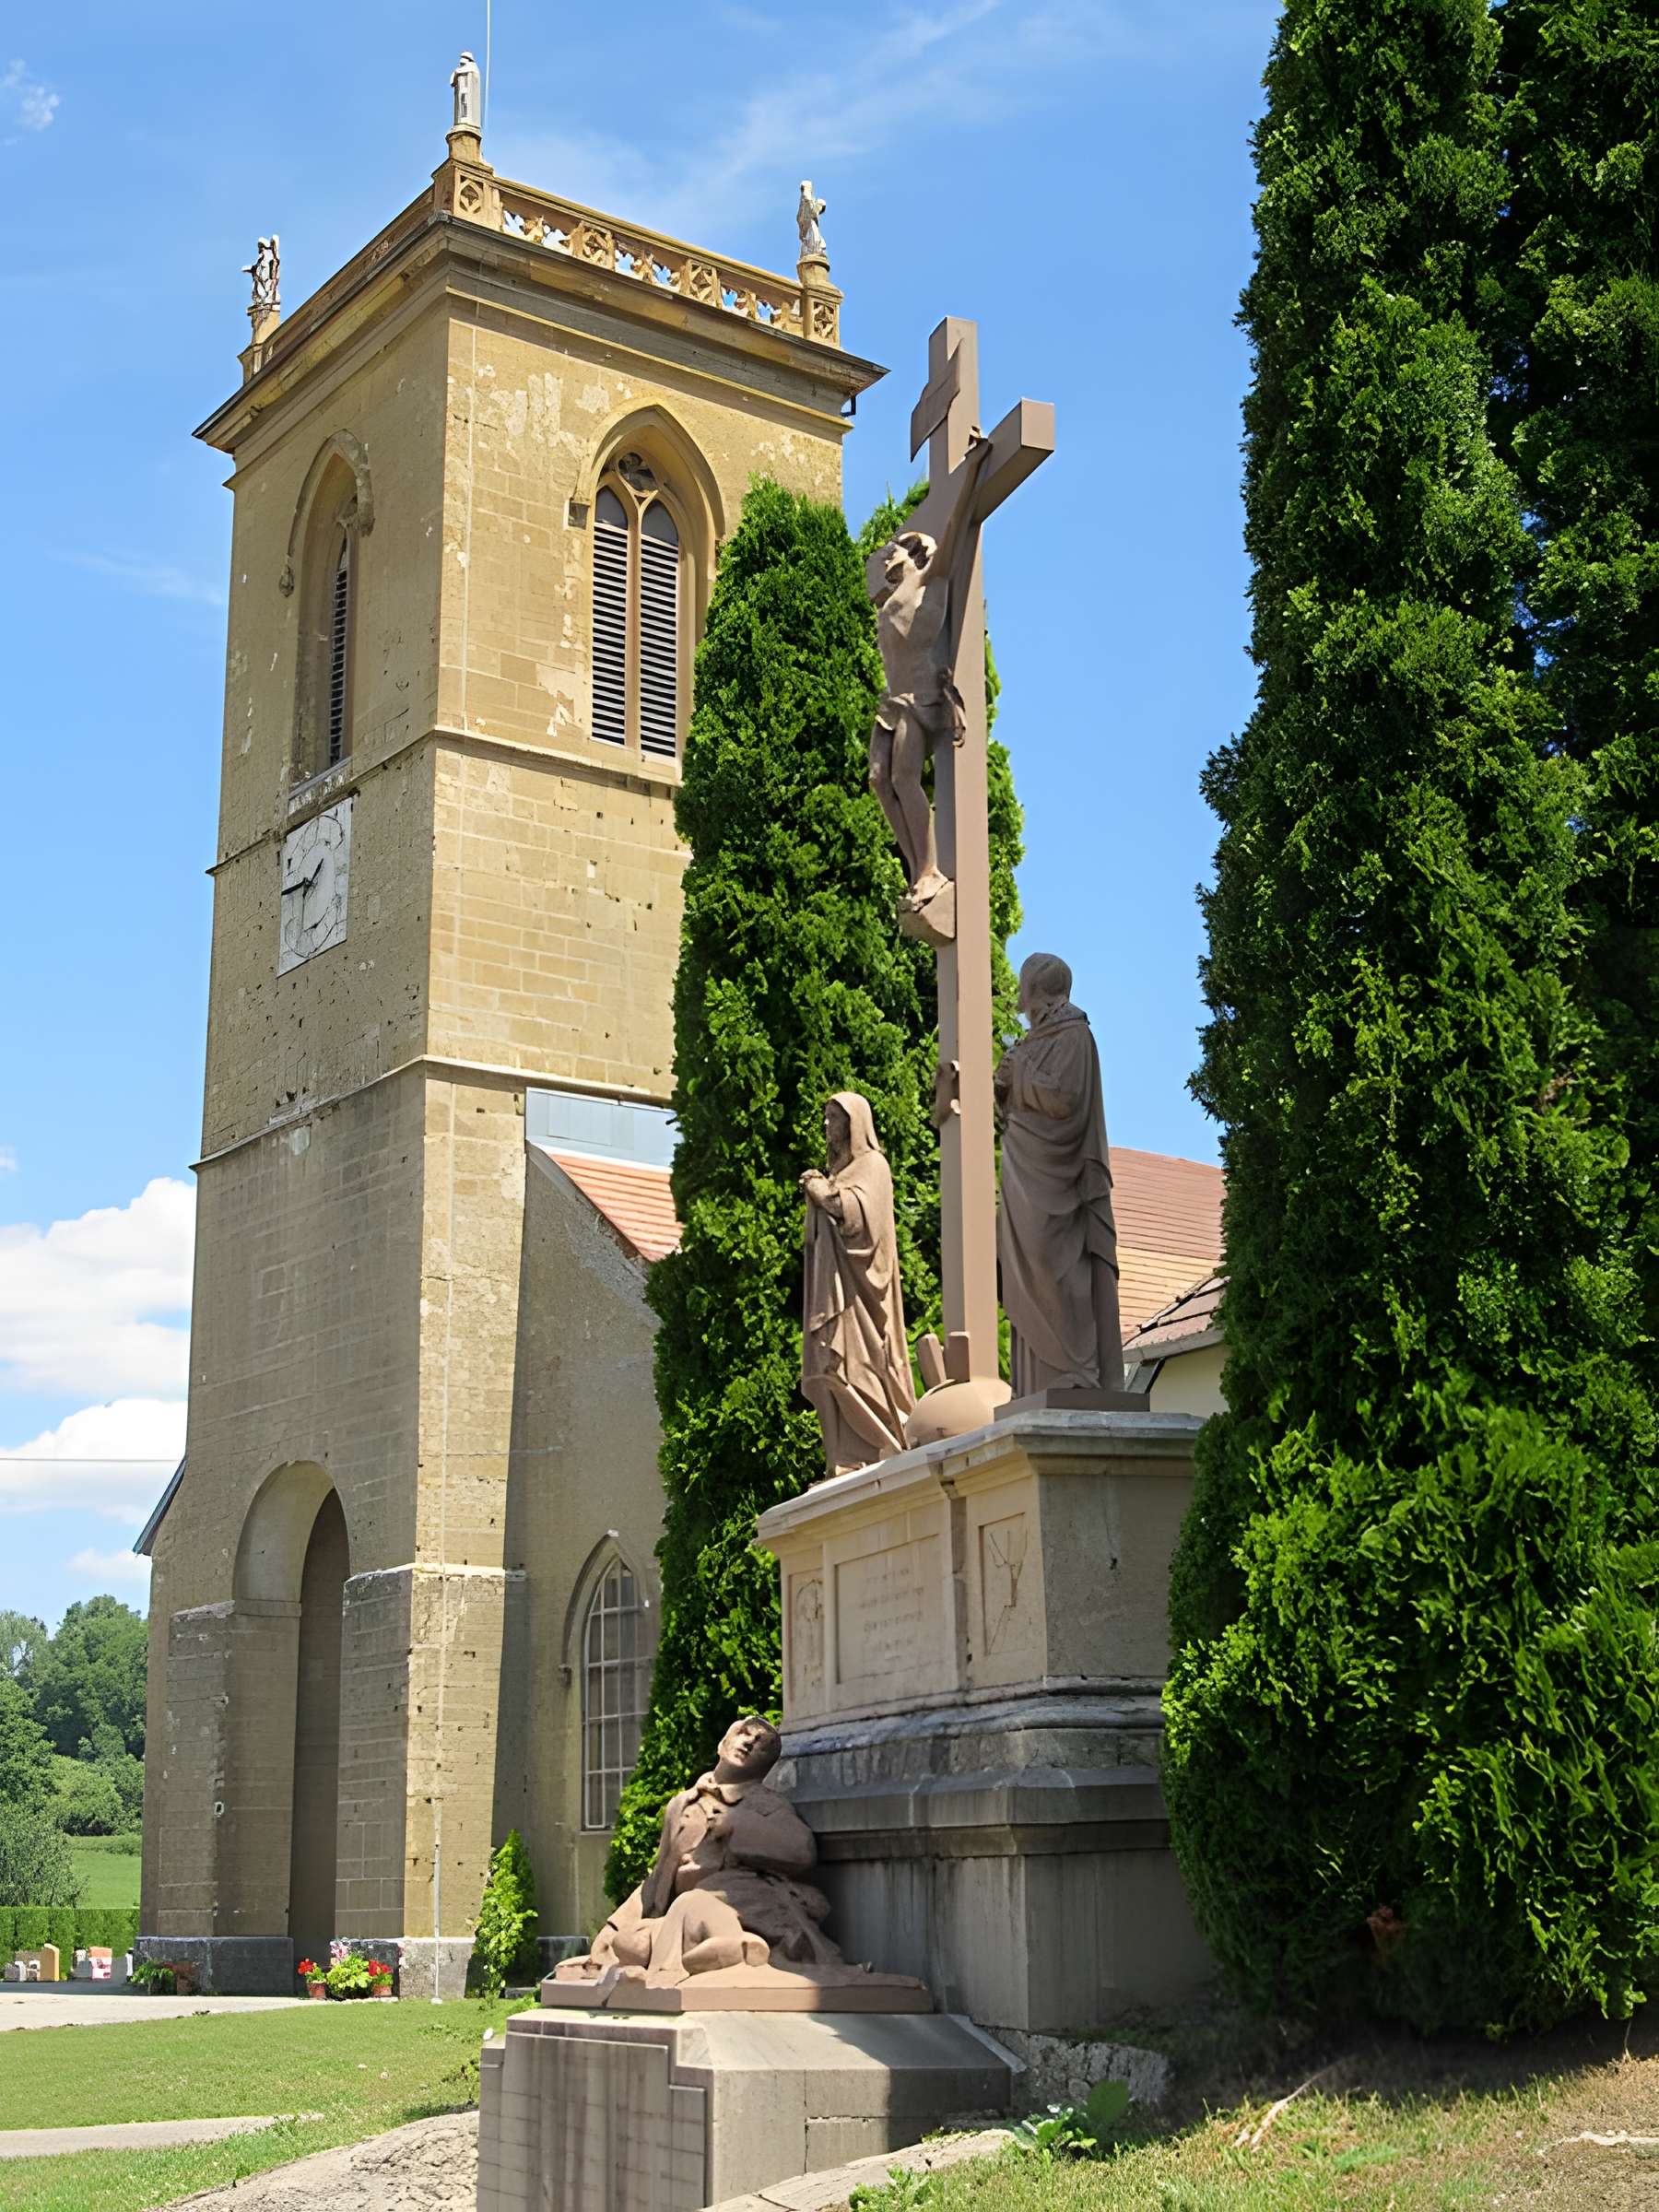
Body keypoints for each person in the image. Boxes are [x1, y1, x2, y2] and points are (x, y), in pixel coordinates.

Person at [553, 1716, 840, 1986]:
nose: (750, 1743)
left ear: (765, 1767)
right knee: (630, 1943)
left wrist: (737, 1827)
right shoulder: (682, 1805)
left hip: (743, 1903)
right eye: (744, 1734)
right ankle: (720, 1952)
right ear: (722, 1744)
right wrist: (613, 1928)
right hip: (683, 1918)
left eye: (762, 1745)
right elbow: (657, 1879)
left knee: (690, 1904)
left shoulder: (763, 1803)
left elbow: (801, 1850)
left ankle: (671, 1974)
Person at [868, 438, 991, 921]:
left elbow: (956, 528)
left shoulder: (929, 582)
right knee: (879, 780)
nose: (883, 560)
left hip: (916, 699)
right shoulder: (889, 598)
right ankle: (916, 866)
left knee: (903, 777)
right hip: (890, 701)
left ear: (912, 555)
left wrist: (975, 469)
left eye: (891, 553)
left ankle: (930, 870)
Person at [994, 953, 1124, 1394]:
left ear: (1037, 989)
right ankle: (1034, 1383)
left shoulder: (1074, 1035)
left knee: (1059, 1267)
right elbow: (1012, 1100)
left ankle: (1080, 1370)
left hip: (1059, 1176)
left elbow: (1066, 1101)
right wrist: (1002, 1084)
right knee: (1025, 1268)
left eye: (1025, 988)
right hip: (1022, 1173)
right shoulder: (1031, 1041)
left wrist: (1022, 1074)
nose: (1022, 1001)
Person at [801, 1093, 915, 1475]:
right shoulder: (841, 1174)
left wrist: (826, 1196)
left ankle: (881, 1440)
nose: (826, 1125)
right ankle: (843, 1457)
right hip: (833, 1292)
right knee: (830, 1369)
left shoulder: (873, 1166)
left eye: (833, 1118)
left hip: (859, 1301)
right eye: (826, 1117)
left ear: (854, 1124)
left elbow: (861, 1225)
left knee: (858, 1368)